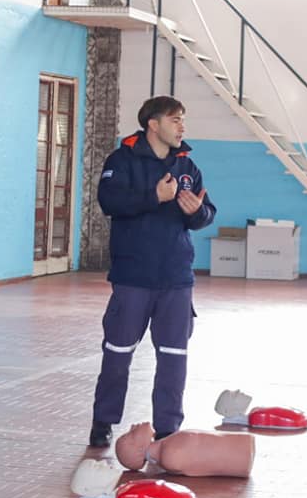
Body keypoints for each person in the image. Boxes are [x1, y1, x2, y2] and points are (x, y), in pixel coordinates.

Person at [89, 95, 216, 448]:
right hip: (133, 277)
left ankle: (168, 429)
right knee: (117, 353)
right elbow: (109, 202)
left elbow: (206, 212)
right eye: (175, 119)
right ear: (154, 124)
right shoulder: (122, 161)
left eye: (183, 119)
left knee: (174, 358)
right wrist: (153, 198)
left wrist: (196, 212)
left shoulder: (187, 166)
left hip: (176, 278)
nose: (182, 126)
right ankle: (103, 421)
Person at [115, 422, 255, 478]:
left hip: (242, 452)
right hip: (242, 456)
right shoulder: (170, 455)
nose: (133, 426)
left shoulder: (168, 450)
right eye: (131, 433)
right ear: (139, 449)